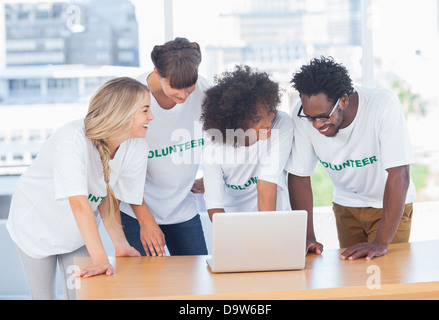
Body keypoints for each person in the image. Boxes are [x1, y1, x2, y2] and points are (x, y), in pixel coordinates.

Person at [6, 77, 153, 299]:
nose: (151, 116)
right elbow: (78, 203)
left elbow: (108, 199)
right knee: (44, 295)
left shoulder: (137, 148)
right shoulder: (72, 139)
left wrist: (120, 244)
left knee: (82, 294)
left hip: (75, 233)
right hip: (35, 225)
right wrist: (100, 258)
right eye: (145, 110)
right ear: (124, 111)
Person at [286, 56, 416, 260]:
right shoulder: (303, 114)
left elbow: (400, 174)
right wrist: (308, 236)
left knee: (385, 279)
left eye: (323, 117)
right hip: (346, 206)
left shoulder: (383, 105)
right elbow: (299, 176)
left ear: (343, 101)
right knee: (353, 281)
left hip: (389, 205)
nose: (316, 125)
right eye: (310, 118)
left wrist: (380, 242)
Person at [119, 37, 210, 256]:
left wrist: (213, 176)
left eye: (189, 88)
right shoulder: (130, 98)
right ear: (157, 73)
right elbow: (118, 168)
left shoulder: (206, 91)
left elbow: (223, 136)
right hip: (137, 209)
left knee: (197, 284)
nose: (183, 95)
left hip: (183, 208)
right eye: (175, 88)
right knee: (146, 286)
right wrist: (146, 221)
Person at [201, 65, 293, 220]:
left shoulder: (280, 123)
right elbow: (214, 207)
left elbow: (267, 182)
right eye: (256, 119)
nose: (267, 123)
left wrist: (266, 233)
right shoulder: (214, 148)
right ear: (235, 123)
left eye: (269, 112)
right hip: (237, 224)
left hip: (276, 220)